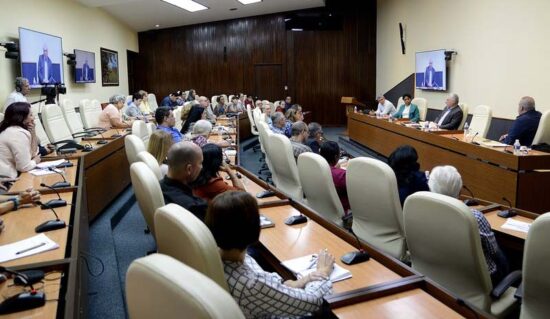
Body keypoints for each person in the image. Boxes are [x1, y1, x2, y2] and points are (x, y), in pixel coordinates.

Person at [205, 191, 334, 318]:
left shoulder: (210, 253)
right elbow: (311, 302)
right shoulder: (252, 285)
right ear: (254, 228)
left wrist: (304, 279)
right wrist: (322, 273)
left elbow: (269, 284)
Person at [428, 165, 507, 284]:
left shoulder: (424, 211)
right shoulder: (474, 217)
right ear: (460, 191)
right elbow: (495, 252)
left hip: (441, 274)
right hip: (478, 280)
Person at [159, 141, 207, 220]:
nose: (201, 167)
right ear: (189, 169)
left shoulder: (159, 185)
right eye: (200, 163)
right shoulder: (194, 207)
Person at [0, 102, 41, 179]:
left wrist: (33, 133)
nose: (33, 118)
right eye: (31, 115)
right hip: (5, 179)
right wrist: (35, 161)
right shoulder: (17, 133)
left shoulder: (14, 130)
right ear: (21, 118)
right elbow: (24, 167)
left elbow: (33, 154)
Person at [320, 141, 350, 214]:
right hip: (343, 212)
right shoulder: (340, 175)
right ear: (336, 157)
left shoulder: (315, 168)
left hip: (321, 208)